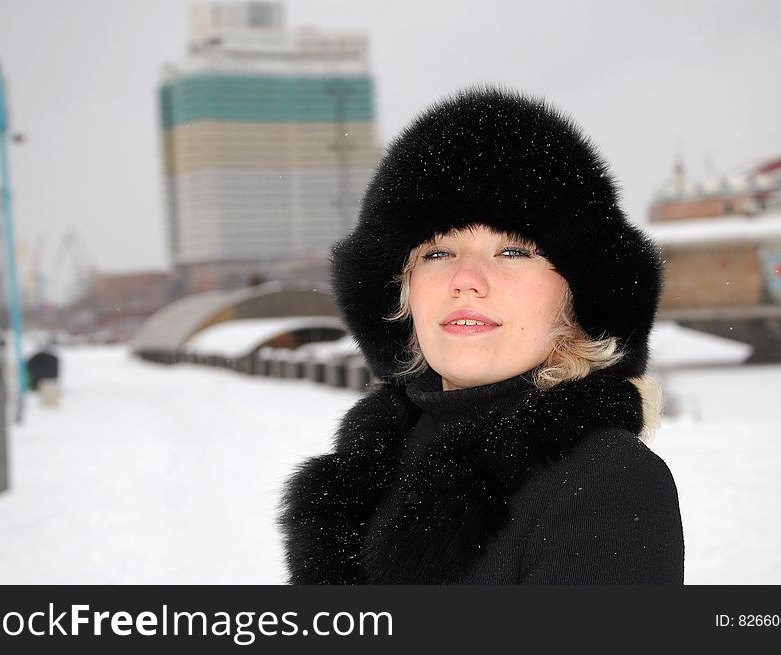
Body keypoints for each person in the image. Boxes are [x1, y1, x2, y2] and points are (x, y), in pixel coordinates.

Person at [279, 87, 684, 584]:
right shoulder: (374, 468)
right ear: (402, 293)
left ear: (577, 297)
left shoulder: (605, 480)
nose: (465, 279)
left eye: (513, 252)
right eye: (436, 253)